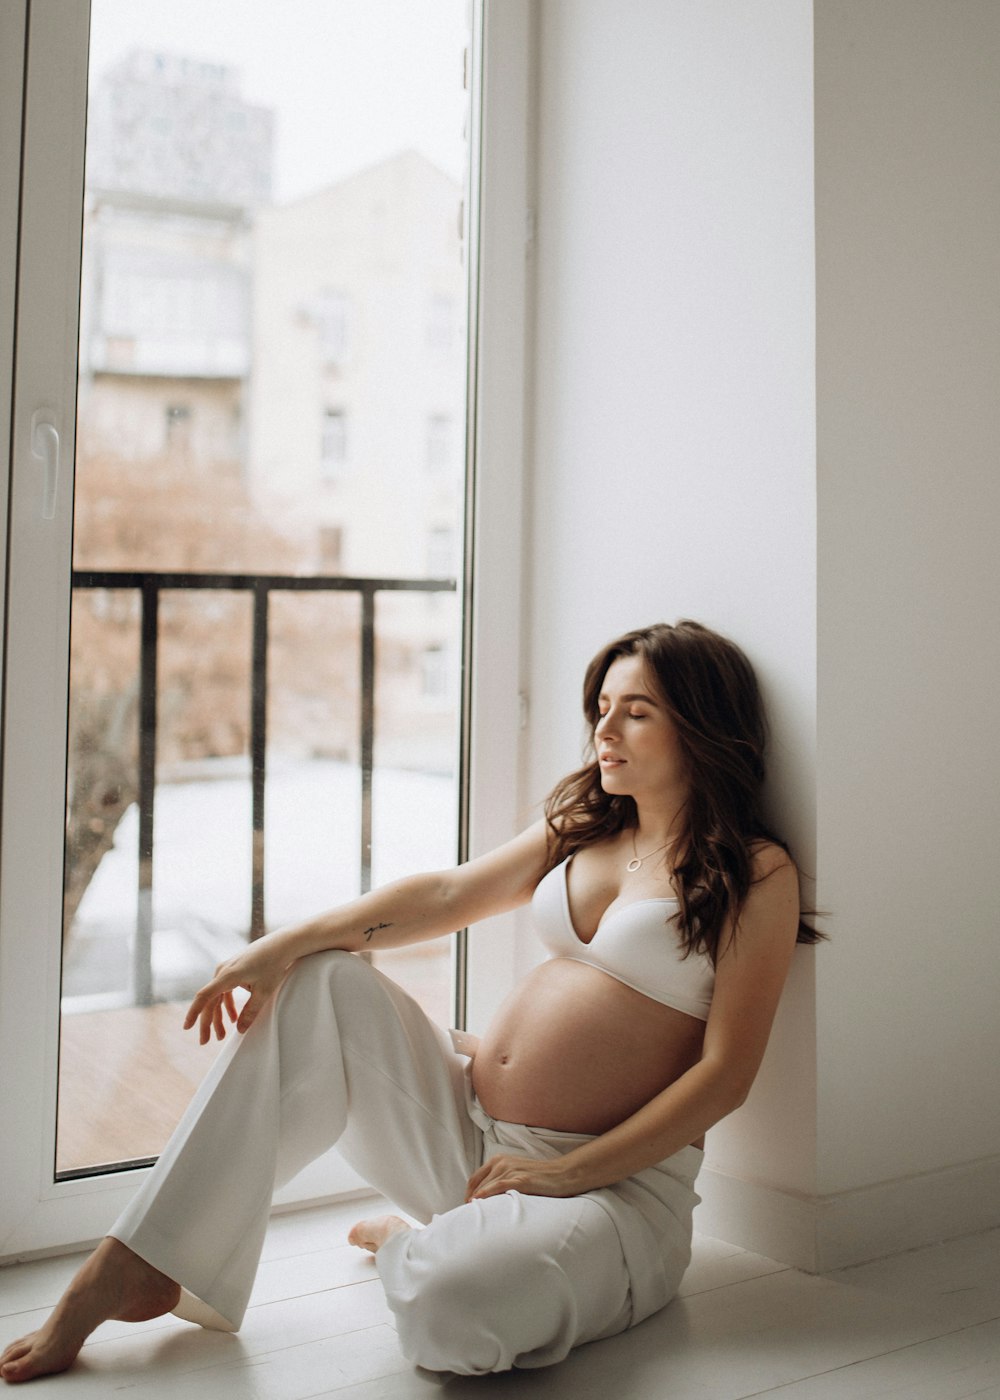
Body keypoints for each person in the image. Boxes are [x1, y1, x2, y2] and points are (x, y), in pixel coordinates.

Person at [0, 619, 819, 1384]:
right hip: (471, 1143)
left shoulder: (756, 873)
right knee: (322, 978)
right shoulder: (586, 829)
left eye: (635, 713)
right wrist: (278, 945)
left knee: (450, 1315)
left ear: (703, 726)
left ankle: (412, 1246)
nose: (604, 731)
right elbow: (447, 892)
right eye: (601, 708)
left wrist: (568, 1170)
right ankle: (138, 1259)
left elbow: (724, 1076)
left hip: (609, 1190)